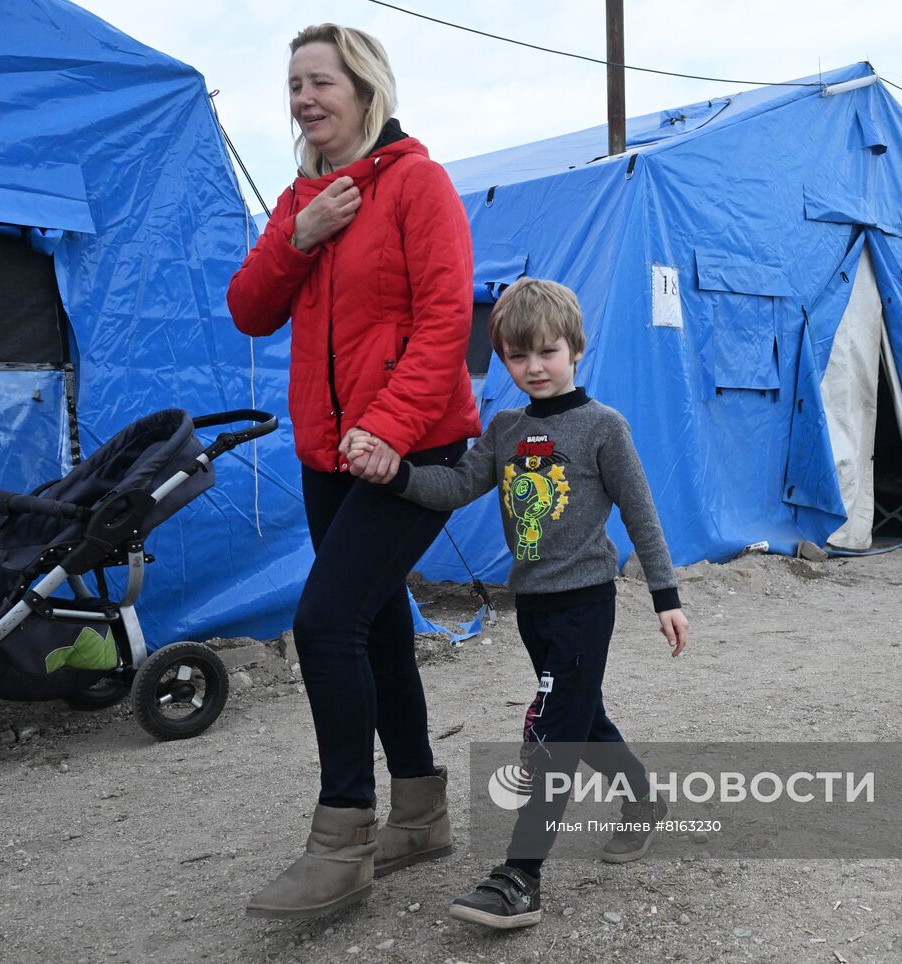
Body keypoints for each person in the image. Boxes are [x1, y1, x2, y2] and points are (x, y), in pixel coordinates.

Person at [226, 23, 480, 920]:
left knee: (325, 620)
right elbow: (250, 309)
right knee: (371, 629)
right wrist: (299, 233)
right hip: (330, 458)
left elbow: (448, 324)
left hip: (416, 453)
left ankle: (342, 838)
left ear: (364, 89)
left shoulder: (419, 184)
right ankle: (420, 813)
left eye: (320, 82)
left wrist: (387, 427)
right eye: (293, 84)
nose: (303, 99)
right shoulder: (303, 197)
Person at [348, 278, 688, 930]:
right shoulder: (504, 430)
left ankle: (521, 876)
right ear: (503, 358)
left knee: (552, 734)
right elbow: (456, 486)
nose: (533, 367)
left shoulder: (603, 428)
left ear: (575, 349)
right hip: (531, 607)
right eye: (517, 356)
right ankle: (644, 800)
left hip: (586, 602)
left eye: (547, 352)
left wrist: (664, 597)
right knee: (582, 720)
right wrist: (398, 473)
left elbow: (643, 517)